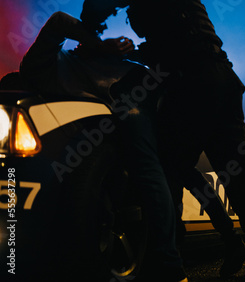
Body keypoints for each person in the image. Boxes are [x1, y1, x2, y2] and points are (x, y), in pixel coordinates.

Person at [80, 1, 245, 280]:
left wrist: (92, 34)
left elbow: (100, 7)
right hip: (222, 77)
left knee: (166, 168)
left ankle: (169, 259)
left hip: (193, 83)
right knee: (236, 171)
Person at [16, 11, 187, 281]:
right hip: (112, 103)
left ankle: (170, 264)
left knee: (146, 166)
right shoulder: (45, 70)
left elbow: (60, 21)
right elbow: (60, 22)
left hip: (130, 88)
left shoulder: (61, 65)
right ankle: (166, 262)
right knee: (140, 167)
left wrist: (112, 48)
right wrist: (100, 45)